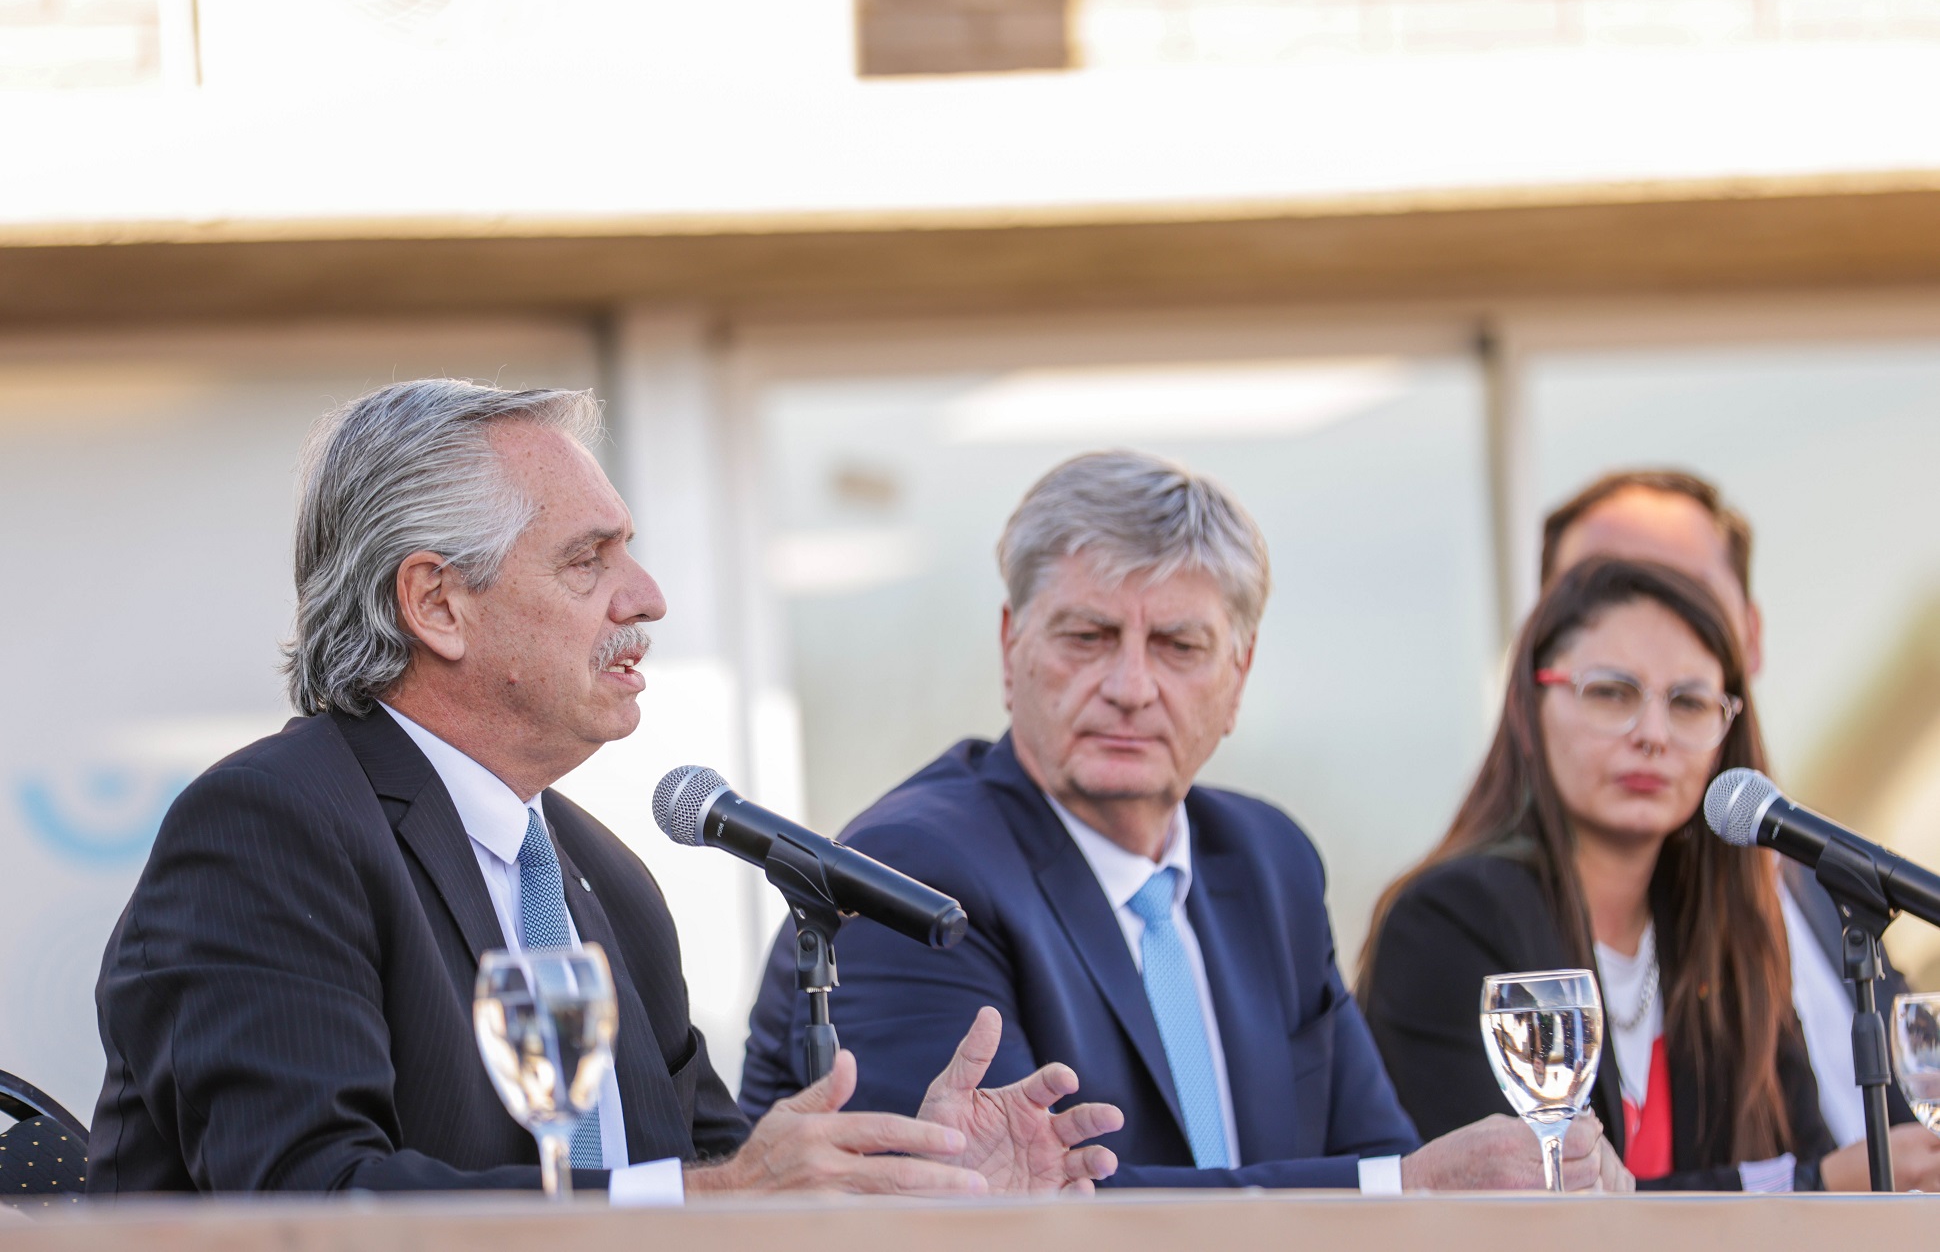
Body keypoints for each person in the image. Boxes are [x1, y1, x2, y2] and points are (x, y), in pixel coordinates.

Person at [89, 379, 1121, 1198]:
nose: (647, 597)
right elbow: (310, 1200)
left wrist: (908, 1184)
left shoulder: (602, 877)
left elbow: (721, 1175)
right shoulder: (270, 828)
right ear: (437, 603)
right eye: (589, 560)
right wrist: (715, 1201)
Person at [739, 450, 1629, 1192]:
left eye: (1178, 646)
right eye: (1086, 637)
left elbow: (1373, 1157)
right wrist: (1408, 1189)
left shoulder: (1269, 861)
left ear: (1238, 676)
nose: (1130, 688)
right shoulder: (914, 870)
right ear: (1012, 649)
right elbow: (998, 1208)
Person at [1362, 557, 1836, 1189]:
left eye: (1690, 703)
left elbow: (1810, 1153)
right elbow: (1528, 1206)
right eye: (1612, 693)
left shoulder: (1727, 931)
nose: (1653, 734)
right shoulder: (1450, 921)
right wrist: (1800, 1186)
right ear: (1530, 707)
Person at [1542, 469, 1937, 1187]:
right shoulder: (1491, 909)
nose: (1650, 620)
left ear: (1746, 638)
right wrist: (1829, 1183)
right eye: (1607, 588)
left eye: (1678, 590)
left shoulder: (1814, 887)